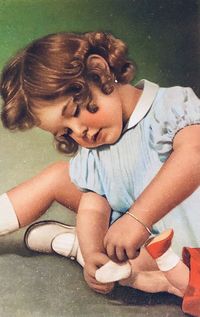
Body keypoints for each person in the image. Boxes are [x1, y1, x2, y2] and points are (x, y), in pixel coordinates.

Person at [0, 31, 200, 314]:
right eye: (65, 130)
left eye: (76, 110)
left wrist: (136, 220)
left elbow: (193, 156)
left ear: (99, 72)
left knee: (139, 272)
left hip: (178, 241)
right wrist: (94, 249)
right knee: (60, 179)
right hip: (145, 239)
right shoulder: (94, 148)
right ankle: (83, 248)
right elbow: (94, 203)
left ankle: (71, 246)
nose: (79, 132)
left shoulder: (171, 106)